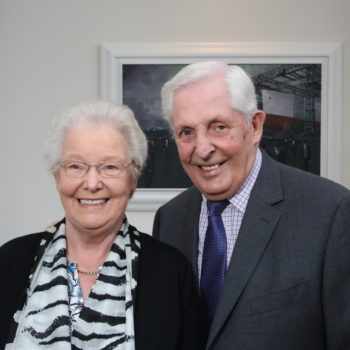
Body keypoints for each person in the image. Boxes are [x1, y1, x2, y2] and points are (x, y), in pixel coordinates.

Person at [153, 61, 350, 350]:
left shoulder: (331, 212)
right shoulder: (170, 219)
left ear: (255, 126)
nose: (202, 148)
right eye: (186, 132)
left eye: (218, 127)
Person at [0, 100, 204, 350]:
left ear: (133, 178)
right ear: (57, 177)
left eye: (110, 167)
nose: (92, 183)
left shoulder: (171, 271)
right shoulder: (10, 261)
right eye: (75, 166)